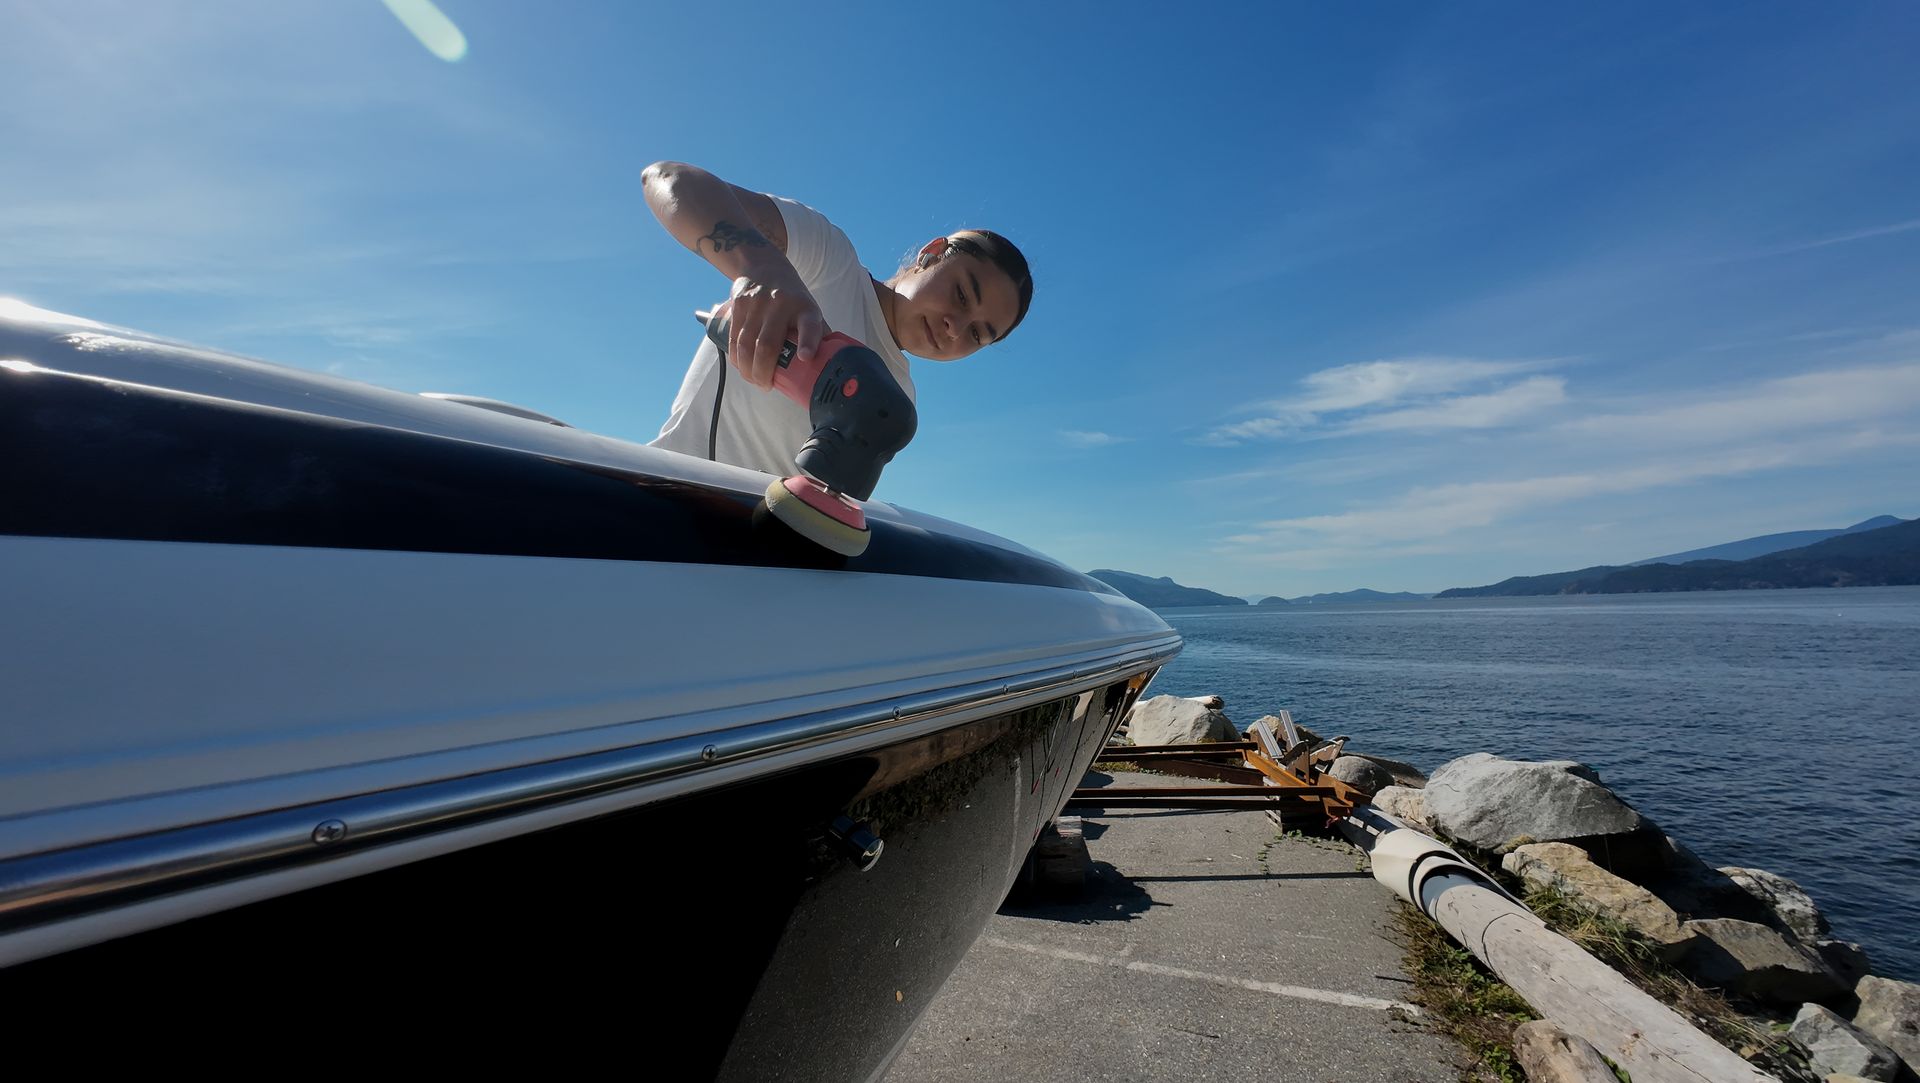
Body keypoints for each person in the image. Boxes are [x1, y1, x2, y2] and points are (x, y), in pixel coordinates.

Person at [641, 160, 1033, 477]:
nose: (955, 328)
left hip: (751, 552)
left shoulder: (899, 398)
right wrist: (763, 268)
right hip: (663, 499)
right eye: (962, 295)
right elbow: (668, 179)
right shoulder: (828, 260)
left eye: (979, 334)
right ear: (931, 253)